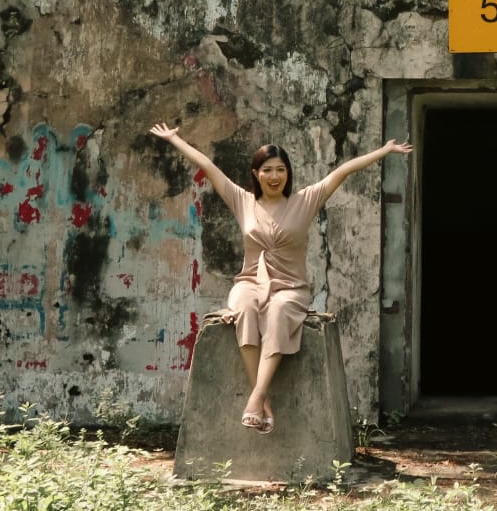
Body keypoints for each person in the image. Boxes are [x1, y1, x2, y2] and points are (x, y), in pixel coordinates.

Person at [151, 122, 413, 434]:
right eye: (267, 170)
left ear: (288, 173)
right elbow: (207, 166)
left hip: (290, 288)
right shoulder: (243, 201)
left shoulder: (305, 200)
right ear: (256, 173)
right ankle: (262, 402)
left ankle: (256, 397)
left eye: (280, 170)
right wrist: (175, 139)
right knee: (244, 308)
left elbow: (343, 171)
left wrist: (384, 150)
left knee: (277, 312)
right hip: (249, 282)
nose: (274, 176)